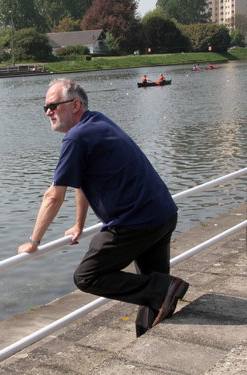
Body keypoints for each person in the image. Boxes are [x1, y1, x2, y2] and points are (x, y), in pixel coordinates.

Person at [17, 78, 189, 337]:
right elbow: (82, 183)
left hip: (134, 223)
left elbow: (53, 196)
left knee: (87, 276)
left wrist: (33, 241)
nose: (48, 112)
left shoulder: (76, 137)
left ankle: (162, 293)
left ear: (75, 105)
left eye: (53, 105)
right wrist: (79, 224)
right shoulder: (97, 121)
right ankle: (151, 333)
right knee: (155, 292)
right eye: (45, 107)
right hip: (162, 214)